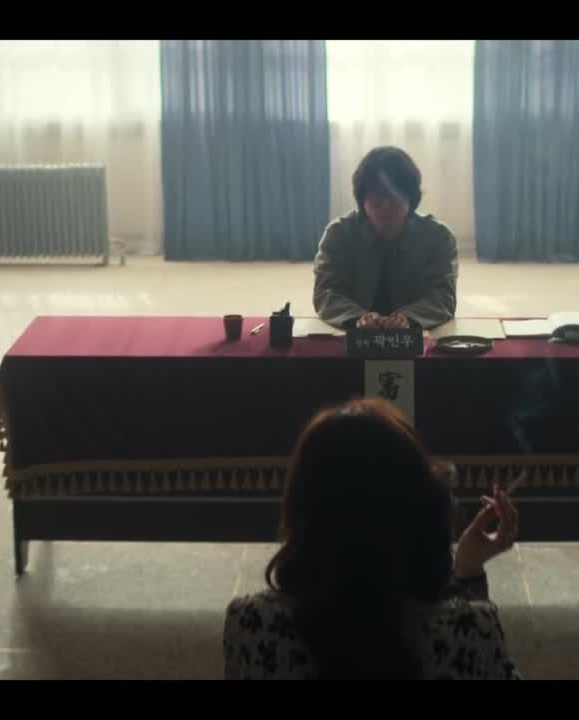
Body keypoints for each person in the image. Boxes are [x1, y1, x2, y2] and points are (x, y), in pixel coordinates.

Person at [222, 397, 522, 680]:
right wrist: (468, 575)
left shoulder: (252, 624)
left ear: (301, 511)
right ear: (421, 513)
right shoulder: (470, 631)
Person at [312, 147, 459, 330]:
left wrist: (408, 318)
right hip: (355, 336)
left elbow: (443, 297)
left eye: (394, 194)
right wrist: (358, 318)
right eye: (377, 195)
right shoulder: (338, 234)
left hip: (414, 337)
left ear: (411, 198)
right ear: (362, 198)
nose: (385, 205)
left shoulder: (438, 237)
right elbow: (325, 293)